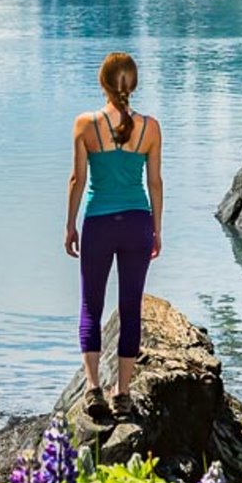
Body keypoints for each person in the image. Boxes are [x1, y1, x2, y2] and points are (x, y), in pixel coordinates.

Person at [64, 51, 162, 422]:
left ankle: (92, 389)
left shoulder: (85, 124)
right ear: (133, 85)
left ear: (102, 83)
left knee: (91, 305)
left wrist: (70, 224)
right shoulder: (150, 128)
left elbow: (78, 180)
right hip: (137, 222)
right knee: (131, 306)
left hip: (99, 225)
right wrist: (157, 228)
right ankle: (122, 394)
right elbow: (154, 182)